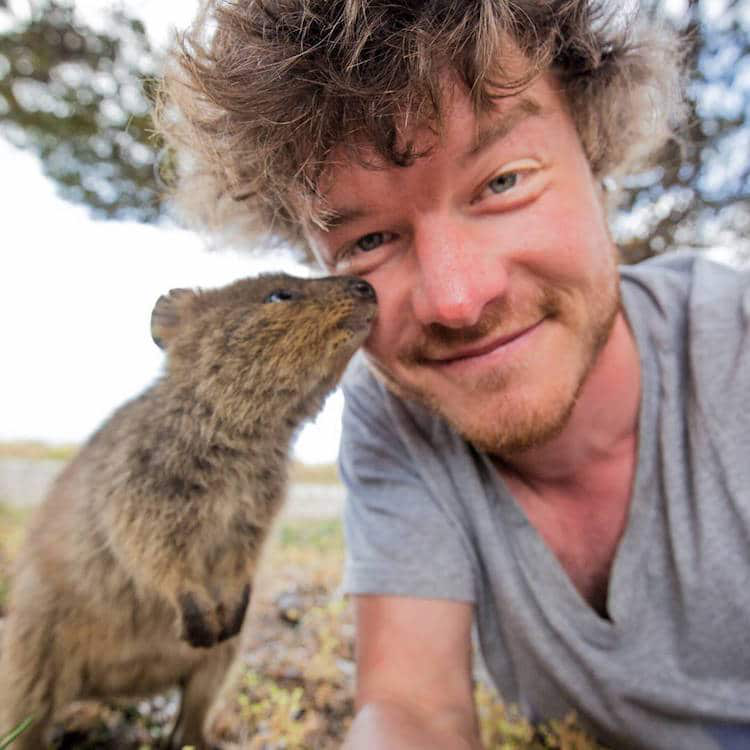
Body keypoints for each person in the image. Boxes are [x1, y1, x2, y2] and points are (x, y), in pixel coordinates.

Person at [156, 2, 750, 748]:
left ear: (595, 157)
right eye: (369, 239)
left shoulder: (735, 348)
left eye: (503, 181)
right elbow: (411, 709)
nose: (457, 301)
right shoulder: (398, 411)